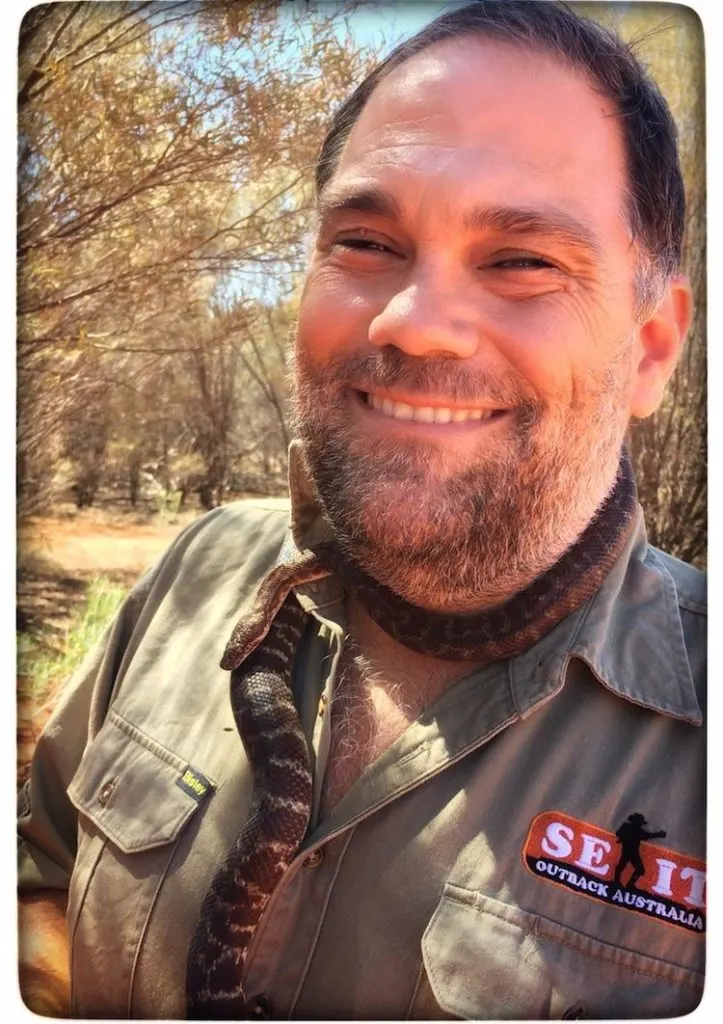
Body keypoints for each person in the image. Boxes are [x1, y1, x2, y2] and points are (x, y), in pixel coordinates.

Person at [18, 1, 706, 1018]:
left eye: (521, 260)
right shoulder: (205, 568)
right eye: (367, 240)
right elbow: (44, 868)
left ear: (649, 347)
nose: (414, 323)